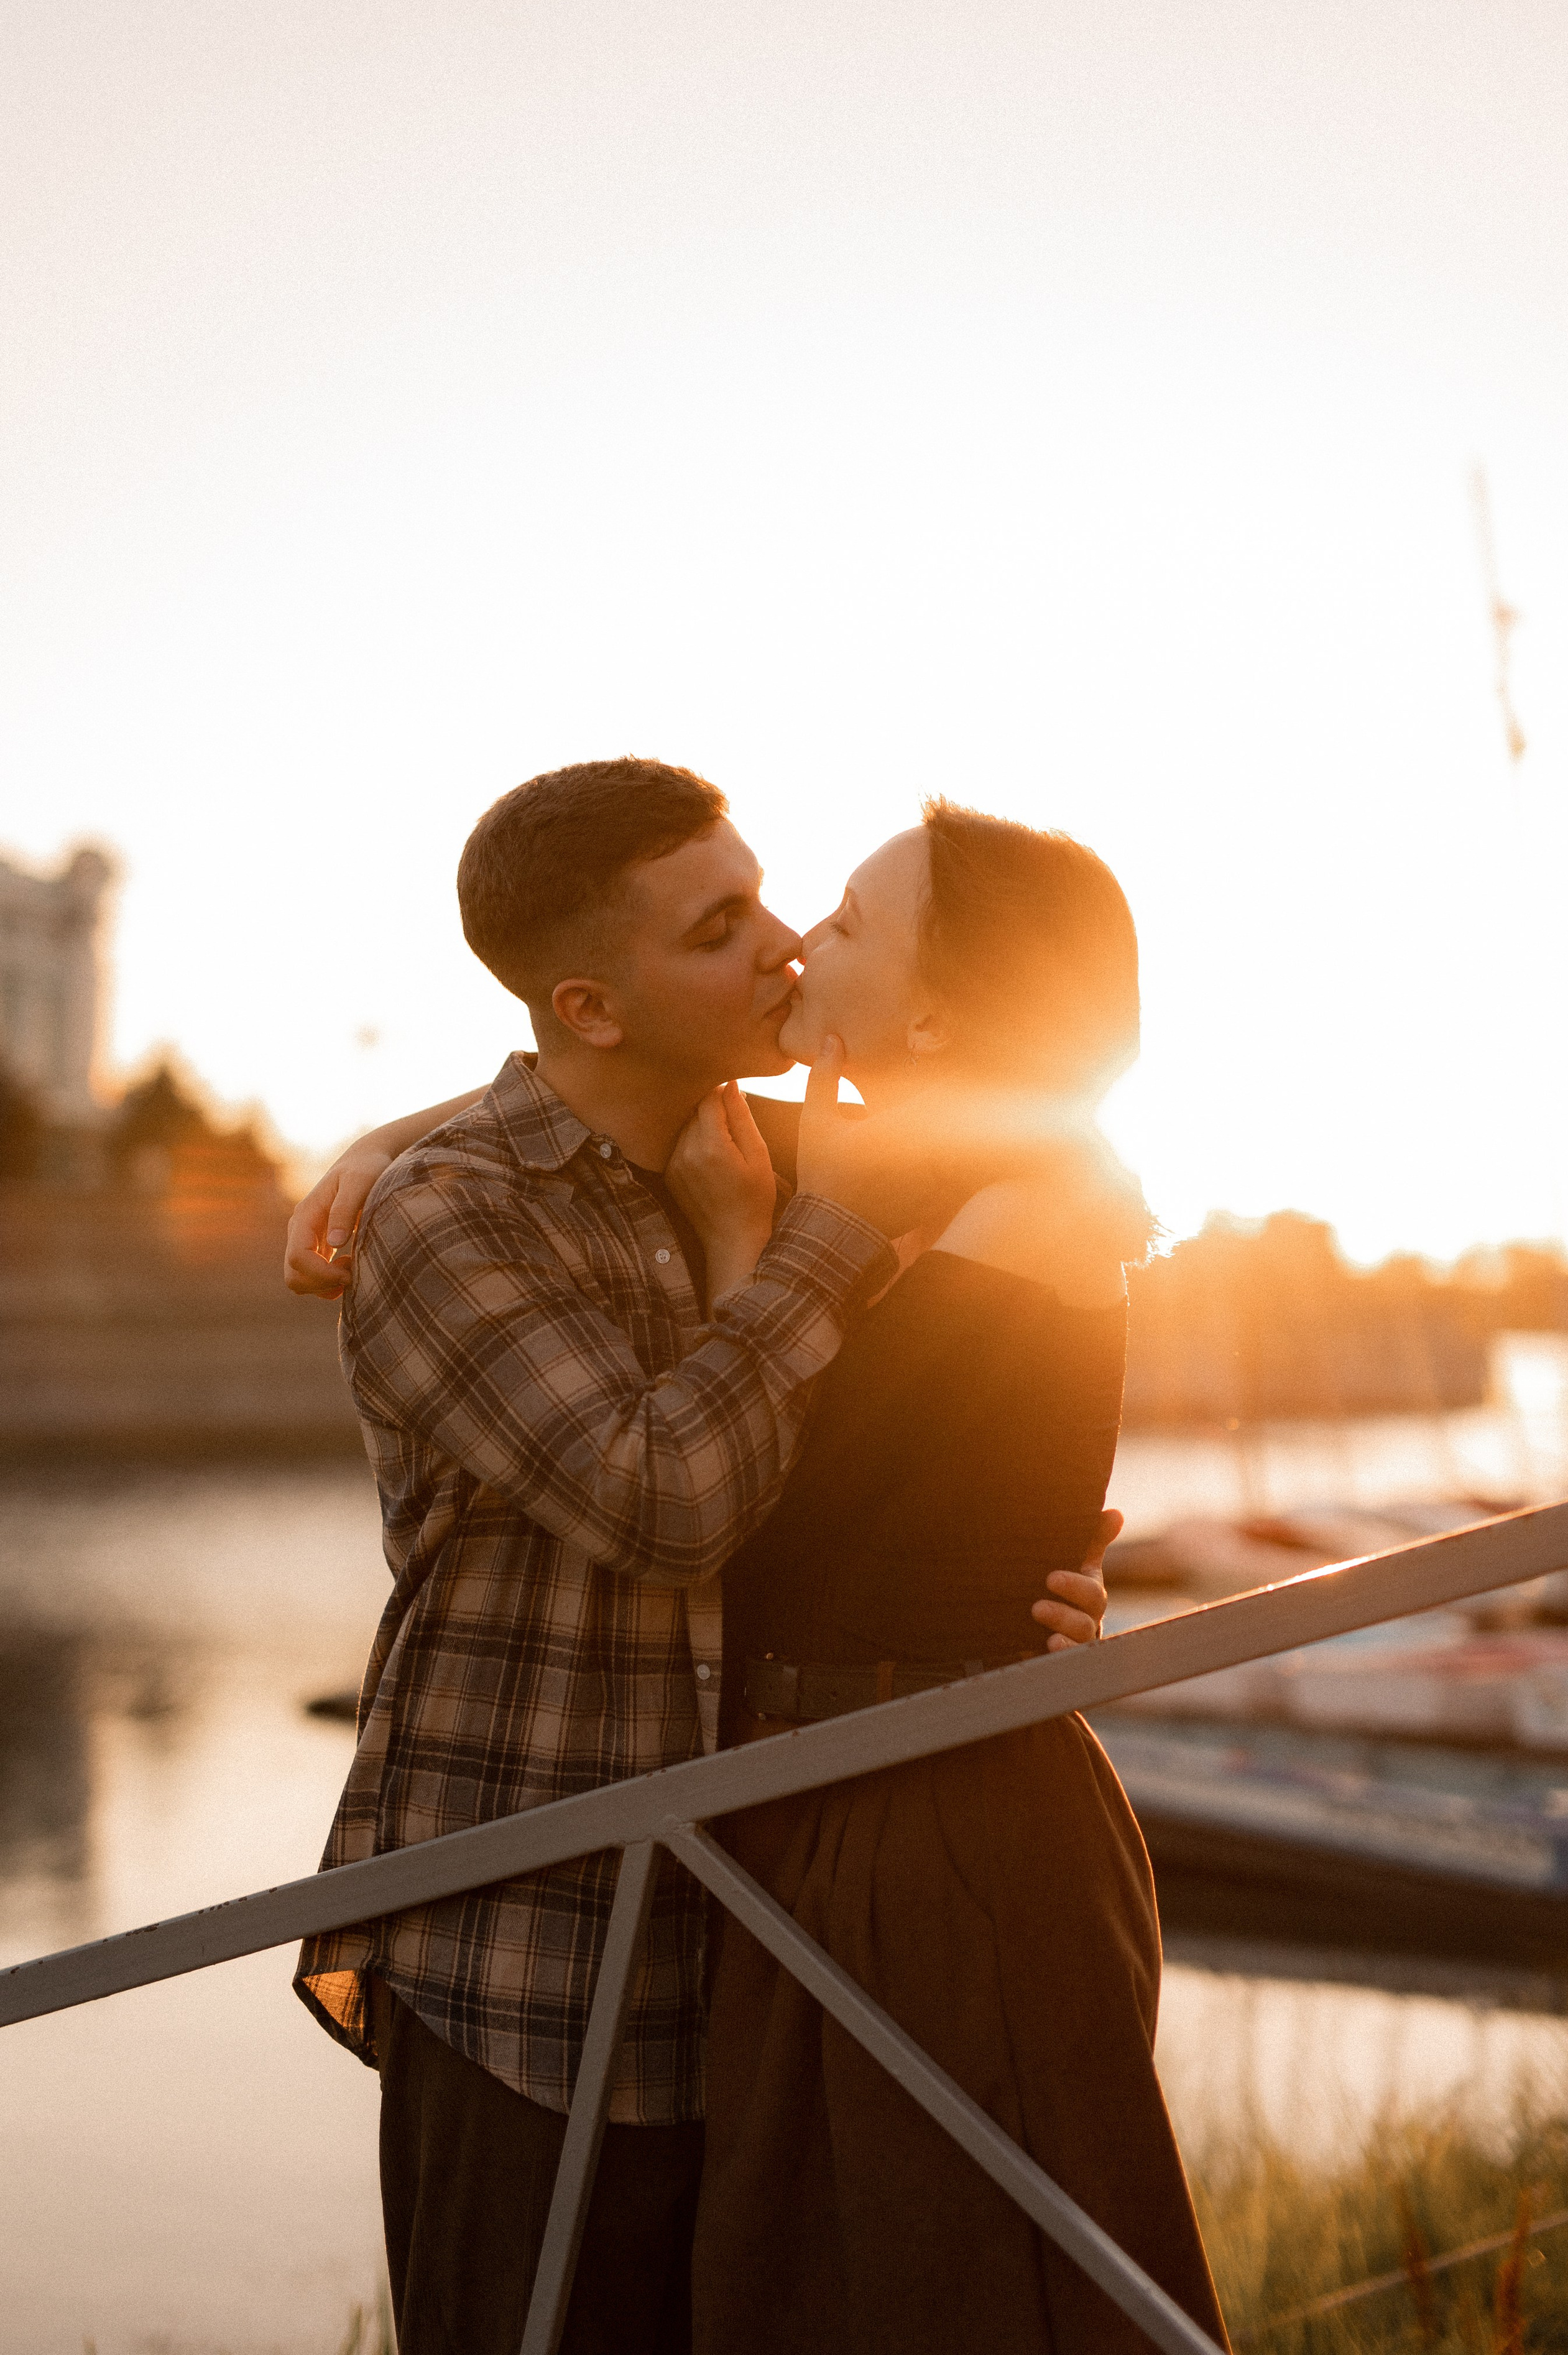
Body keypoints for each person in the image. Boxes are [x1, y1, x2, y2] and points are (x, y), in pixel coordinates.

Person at [284, 757, 1112, 2355]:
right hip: (530, 1951)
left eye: (770, 892)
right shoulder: (451, 1220)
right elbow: (656, 1505)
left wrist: (1003, 1596)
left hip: (758, 1954)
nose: (788, 943)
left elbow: (1044, 1119)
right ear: (590, 1004)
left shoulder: (775, 1146)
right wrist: (796, 1249)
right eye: (722, 927)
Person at [665, 800, 1229, 2354]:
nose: (799, 942)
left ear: (930, 1006)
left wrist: (737, 1255)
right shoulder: (866, 1177)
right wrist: (381, 1146)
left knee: (992, 2287)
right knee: (808, 2284)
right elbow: (571, 1095)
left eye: (844, 919)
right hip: (812, 1808)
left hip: (950, 1821)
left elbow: (762, 1504)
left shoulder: (1042, 1194)